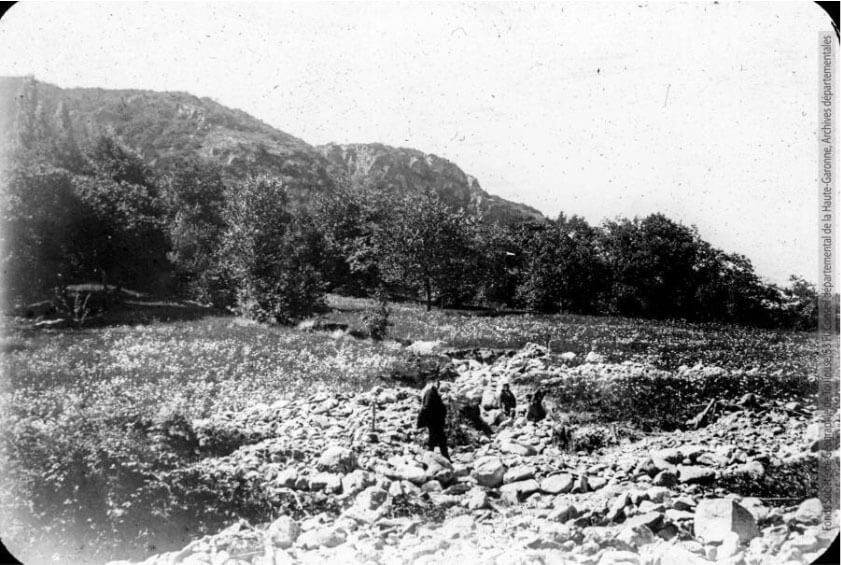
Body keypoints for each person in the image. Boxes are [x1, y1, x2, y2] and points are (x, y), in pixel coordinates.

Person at [417, 381, 450, 460]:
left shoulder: (435, 393)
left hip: (437, 421)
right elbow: (426, 408)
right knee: (438, 439)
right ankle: (432, 458)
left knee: (437, 439)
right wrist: (421, 422)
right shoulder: (430, 393)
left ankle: (443, 457)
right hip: (433, 421)